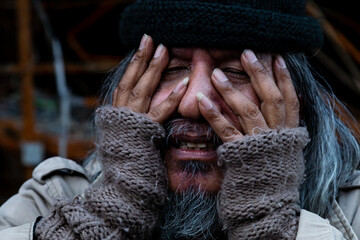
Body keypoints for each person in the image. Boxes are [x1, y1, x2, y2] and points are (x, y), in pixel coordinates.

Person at [1, 0, 360, 239]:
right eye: (172, 69)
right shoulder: (52, 199)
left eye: (234, 72)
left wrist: (266, 222)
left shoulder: (353, 212)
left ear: (294, 98)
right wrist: (106, 217)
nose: (193, 103)